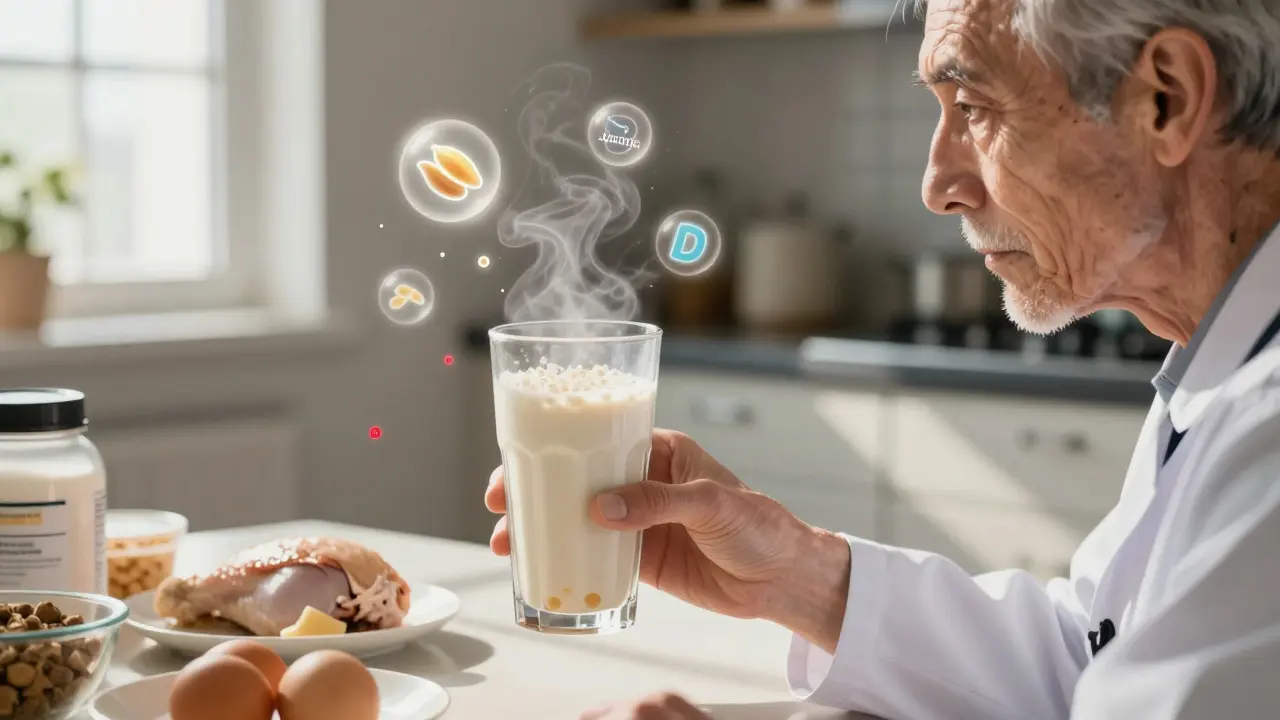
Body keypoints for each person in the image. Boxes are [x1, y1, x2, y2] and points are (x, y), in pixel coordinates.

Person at [486, 0, 1280, 716]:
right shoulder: (1218, 362)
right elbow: (1090, 662)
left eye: (972, 106)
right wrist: (796, 572)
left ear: (1164, 99)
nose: (936, 184)